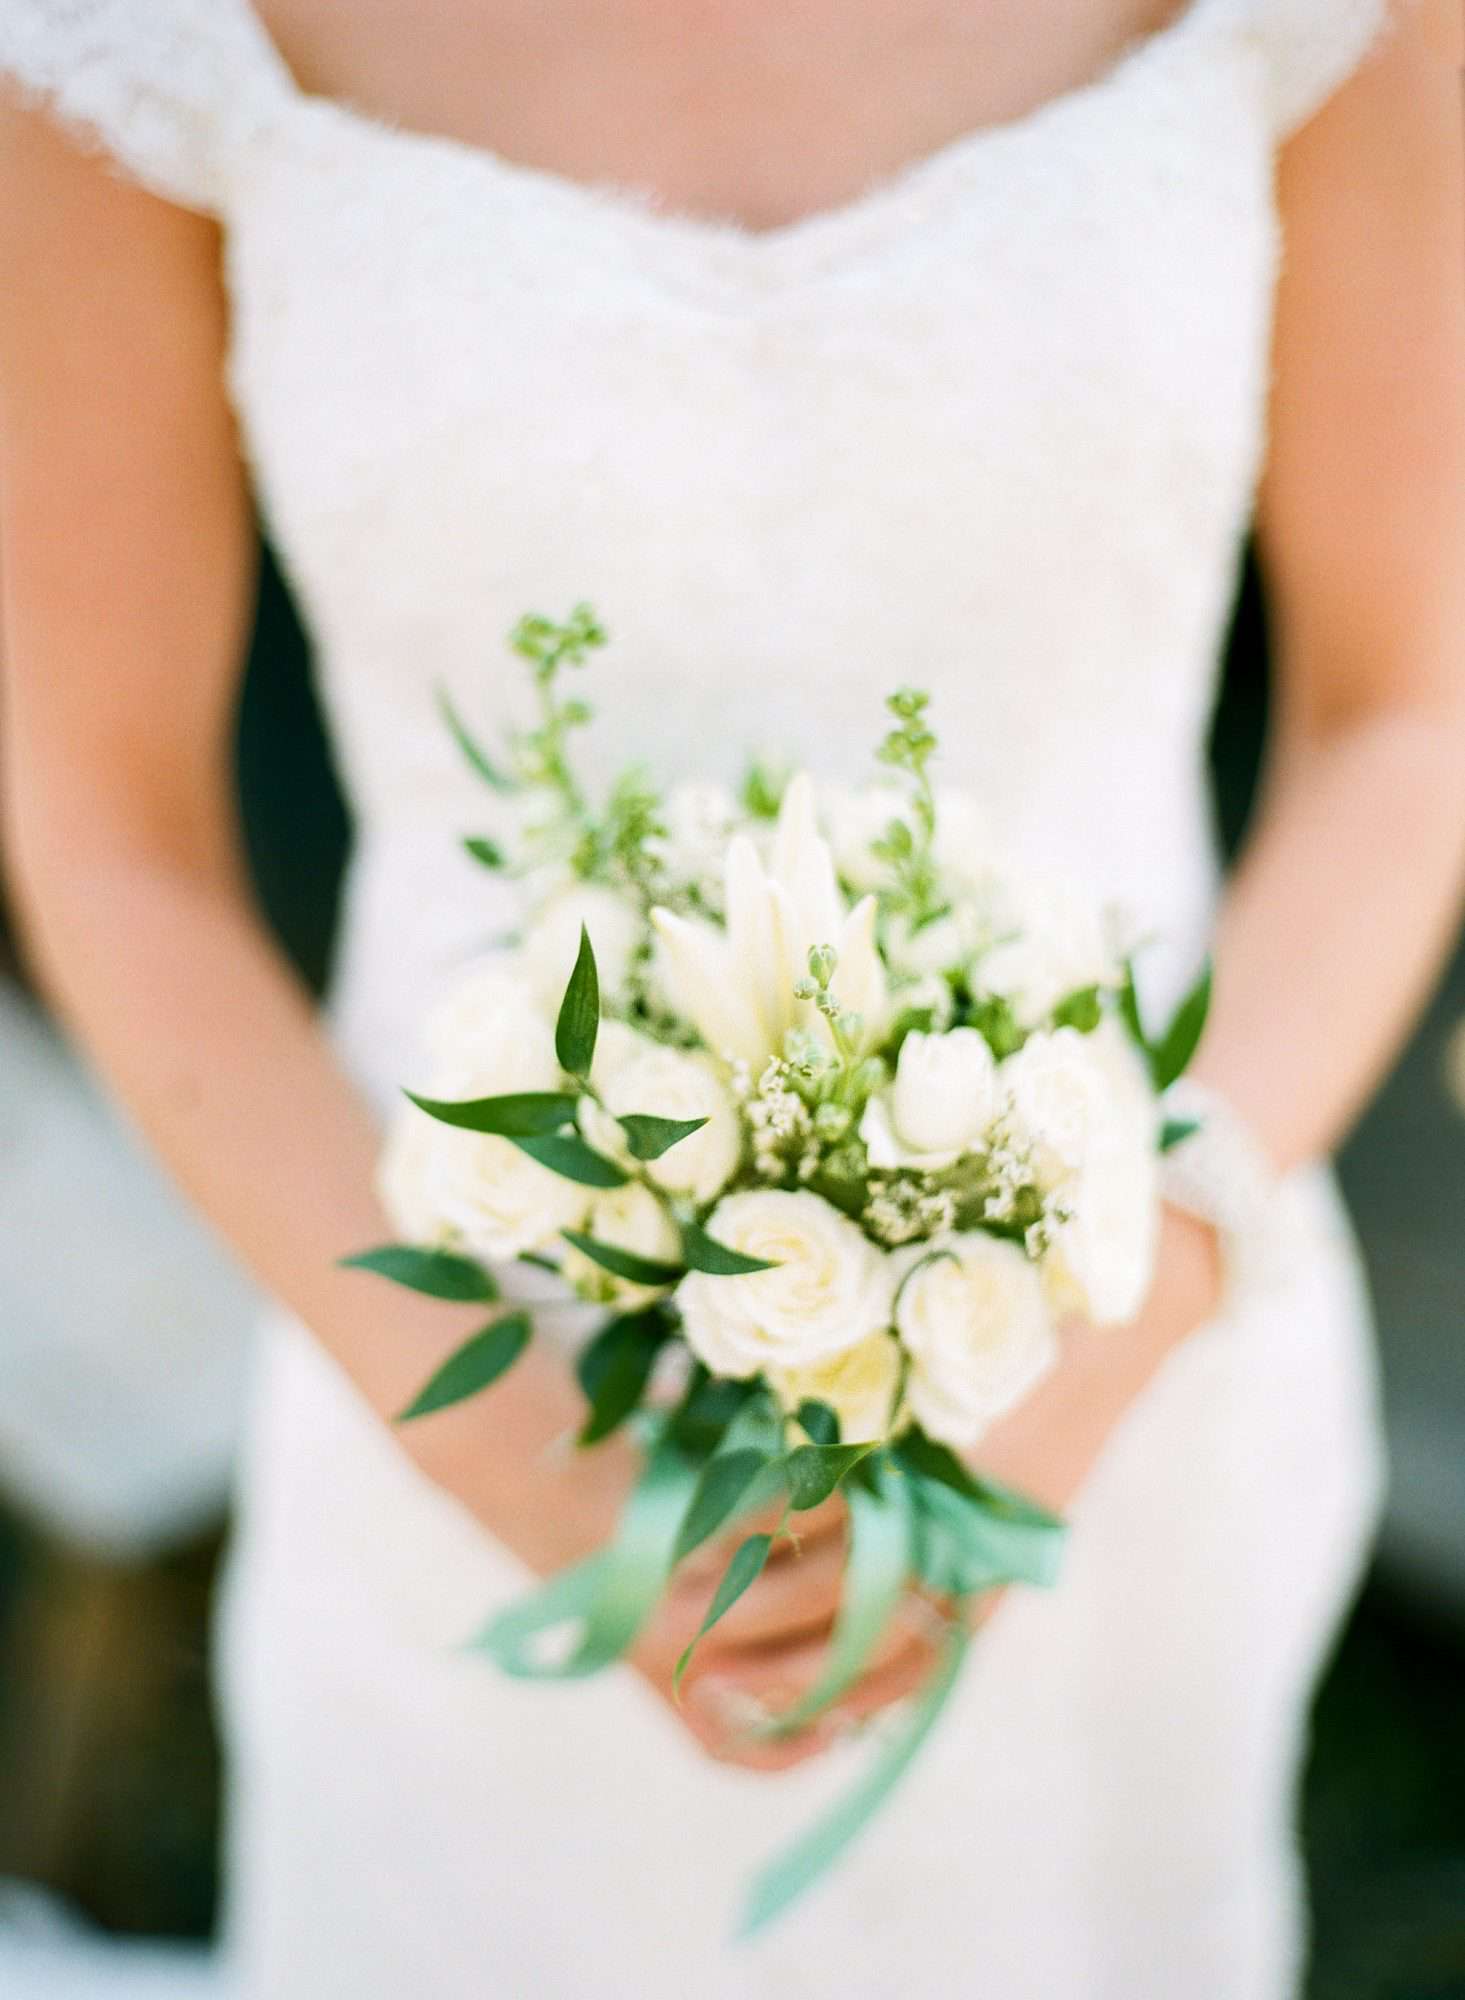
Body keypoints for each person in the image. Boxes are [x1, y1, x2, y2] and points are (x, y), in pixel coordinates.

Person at [1, 2, 1461, 1993]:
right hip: (450, 1364)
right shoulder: (122, 38)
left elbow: (1407, 709)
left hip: (1122, 1390)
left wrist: (1127, 1304)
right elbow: (104, 824)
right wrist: (535, 1472)